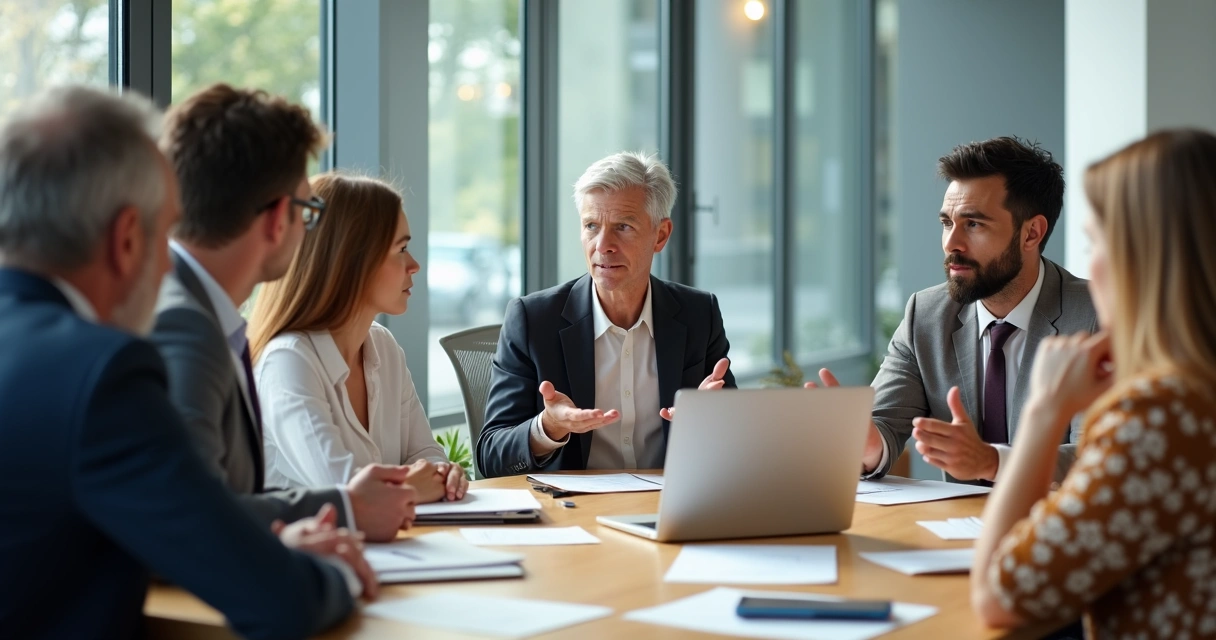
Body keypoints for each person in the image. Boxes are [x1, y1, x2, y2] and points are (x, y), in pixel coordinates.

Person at [0, 86, 368, 639]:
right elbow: (280, 601)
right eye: (164, 230)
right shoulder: (101, 374)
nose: (170, 269)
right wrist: (332, 567)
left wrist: (253, 547)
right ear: (128, 239)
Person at [971, 129, 1216, 638]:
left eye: (1094, 242)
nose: (1090, 265)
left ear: (1142, 258)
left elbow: (1000, 596)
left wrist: (1044, 411)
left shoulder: (1162, 416)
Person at [151, 84, 418, 541]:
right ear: (279, 219)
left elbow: (212, 501)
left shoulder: (198, 317)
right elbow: (188, 519)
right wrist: (326, 567)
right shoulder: (187, 331)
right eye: (308, 211)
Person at [812, 137, 1097, 484]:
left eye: (974, 224)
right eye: (947, 222)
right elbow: (884, 424)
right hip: (956, 532)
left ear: (1031, 233)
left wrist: (993, 462)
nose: (951, 243)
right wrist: (867, 445)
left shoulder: (1097, 315)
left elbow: (1098, 456)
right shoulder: (926, 315)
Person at [478, 151, 734, 478]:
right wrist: (548, 428)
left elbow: (732, 443)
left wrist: (715, 420)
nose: (602, 245)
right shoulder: (533, 320)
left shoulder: (699, 314)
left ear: (661, 235)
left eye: (623, 227)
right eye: (591, 226)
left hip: (669, 507)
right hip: (573, 515)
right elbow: (490, 456)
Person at [249, 173, 468, 503]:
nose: (415, 265)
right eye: (401, 249)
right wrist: (412, 486)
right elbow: (348, 492)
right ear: (352, 260)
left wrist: (441, 475)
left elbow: (426, 453)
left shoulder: (383, 345)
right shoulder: (289, 360)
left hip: (392, 546)